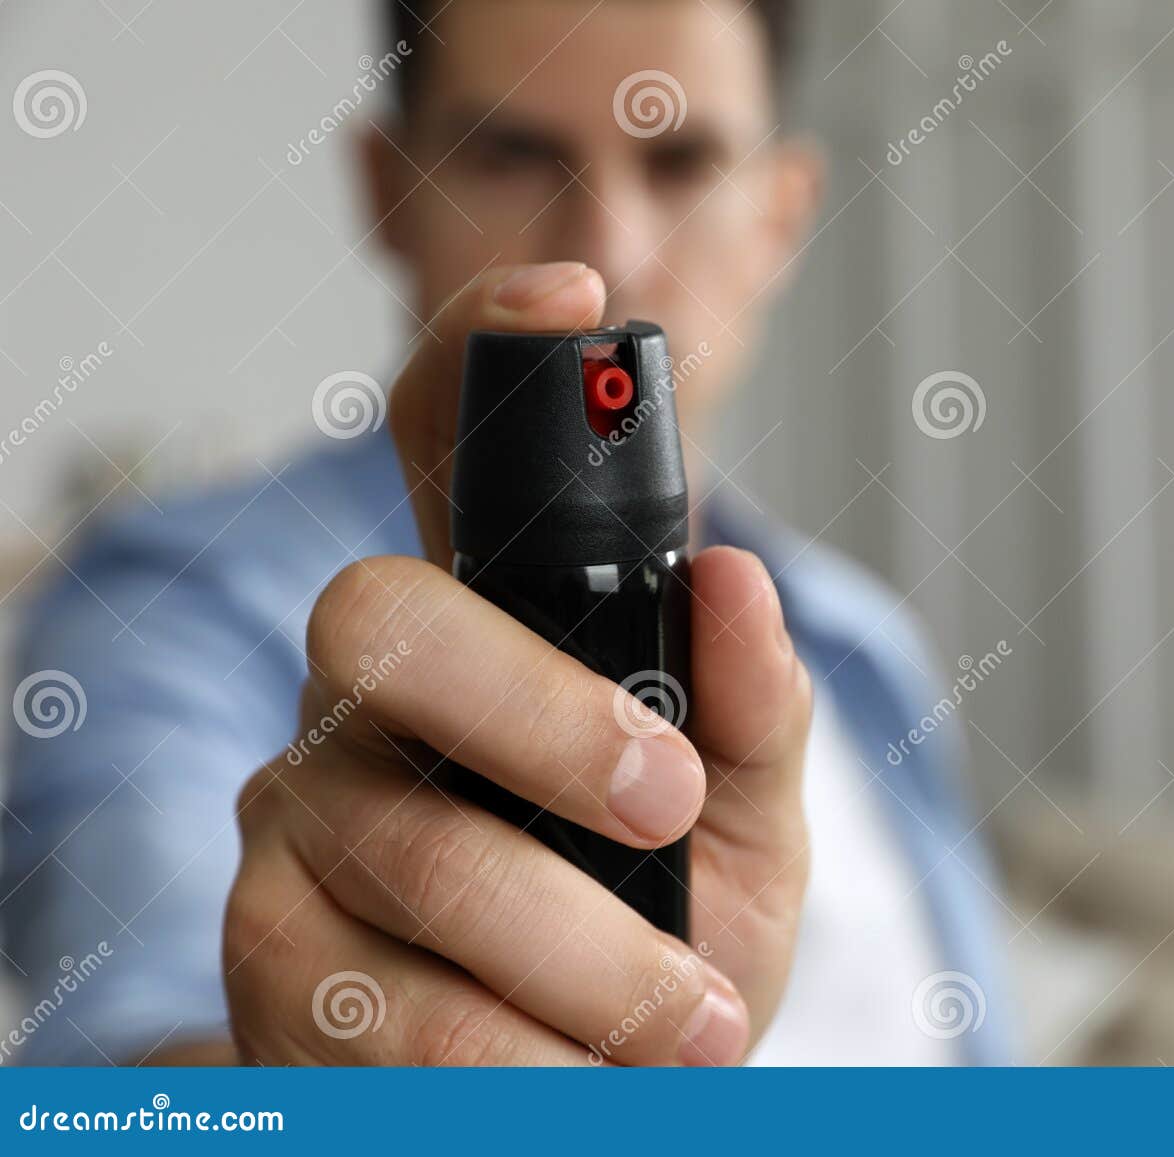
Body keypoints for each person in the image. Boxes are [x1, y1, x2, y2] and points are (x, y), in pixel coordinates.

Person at [1, 0, 1013, 1066]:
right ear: (389, 193)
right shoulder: (167, 605)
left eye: (679, 161)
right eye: (514, 157)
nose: (608, 249)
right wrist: (292, 1078)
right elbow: (114, 1052)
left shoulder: (867, 646)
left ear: (779, 218)